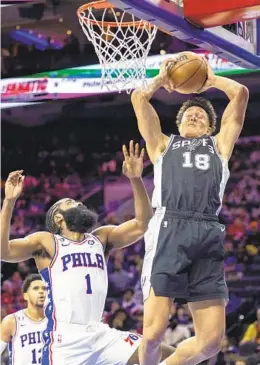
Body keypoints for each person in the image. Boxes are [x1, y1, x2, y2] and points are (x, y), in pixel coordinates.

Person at [1, 141, 175, 365]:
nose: (80, 202)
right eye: (71, 202)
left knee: (169, 355)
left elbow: (142, 224)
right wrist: (9, 201)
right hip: (65, 341)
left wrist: (135, 179)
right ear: (58, 218)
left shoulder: (101, 238)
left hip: (100, 335)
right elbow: (3, 251)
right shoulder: (48, 242)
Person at [131, 57, 249, 365]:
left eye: (200, 115)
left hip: (207, 231)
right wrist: (160, 79)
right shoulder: (162, 145)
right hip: (169, 226)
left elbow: (240, 94)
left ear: (211, 126)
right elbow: (138, 98)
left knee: (211, 342)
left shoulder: (220, 146)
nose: (194, 116)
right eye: (188, 115)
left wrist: (211, 80)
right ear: (179, 125)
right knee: (154, 332)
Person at [0, 274, 47, 365]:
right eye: (36, 288)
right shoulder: (12, 321)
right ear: (25, 296)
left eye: (44, 288)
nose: (41, 291)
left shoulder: (57, 321)